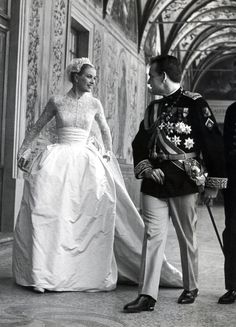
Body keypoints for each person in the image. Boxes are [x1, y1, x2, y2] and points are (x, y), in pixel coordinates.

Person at [13, 57, 182, 293]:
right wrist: (23, 150)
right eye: (89, 76)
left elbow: (105, 130)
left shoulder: (95, 104)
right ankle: (44, 273)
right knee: (50, 212)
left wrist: (107, 154)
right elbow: (37, 126)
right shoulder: (57, 101)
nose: (93, 81)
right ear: (75, 77)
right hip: (58, 160)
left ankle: (80, 271)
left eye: (94, 77)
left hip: (85, 161)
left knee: (85, 215)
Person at [123, 54, 227, 313]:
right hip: (155, 182)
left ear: (164, 77)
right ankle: (147, 295)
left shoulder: (195, 104)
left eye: (151, 76)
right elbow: (139, 143)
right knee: (152, 236)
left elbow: (213, 142)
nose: (148, 81)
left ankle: (191, 286)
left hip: (184, 180)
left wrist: (213, 182)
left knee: (187, 236)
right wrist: (146, 168)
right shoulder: (153, 109)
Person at [218, 101, 236, 304]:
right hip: (234, 184)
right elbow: (224, 147)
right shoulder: (233, 110)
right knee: (232, 233)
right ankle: (232, 286)